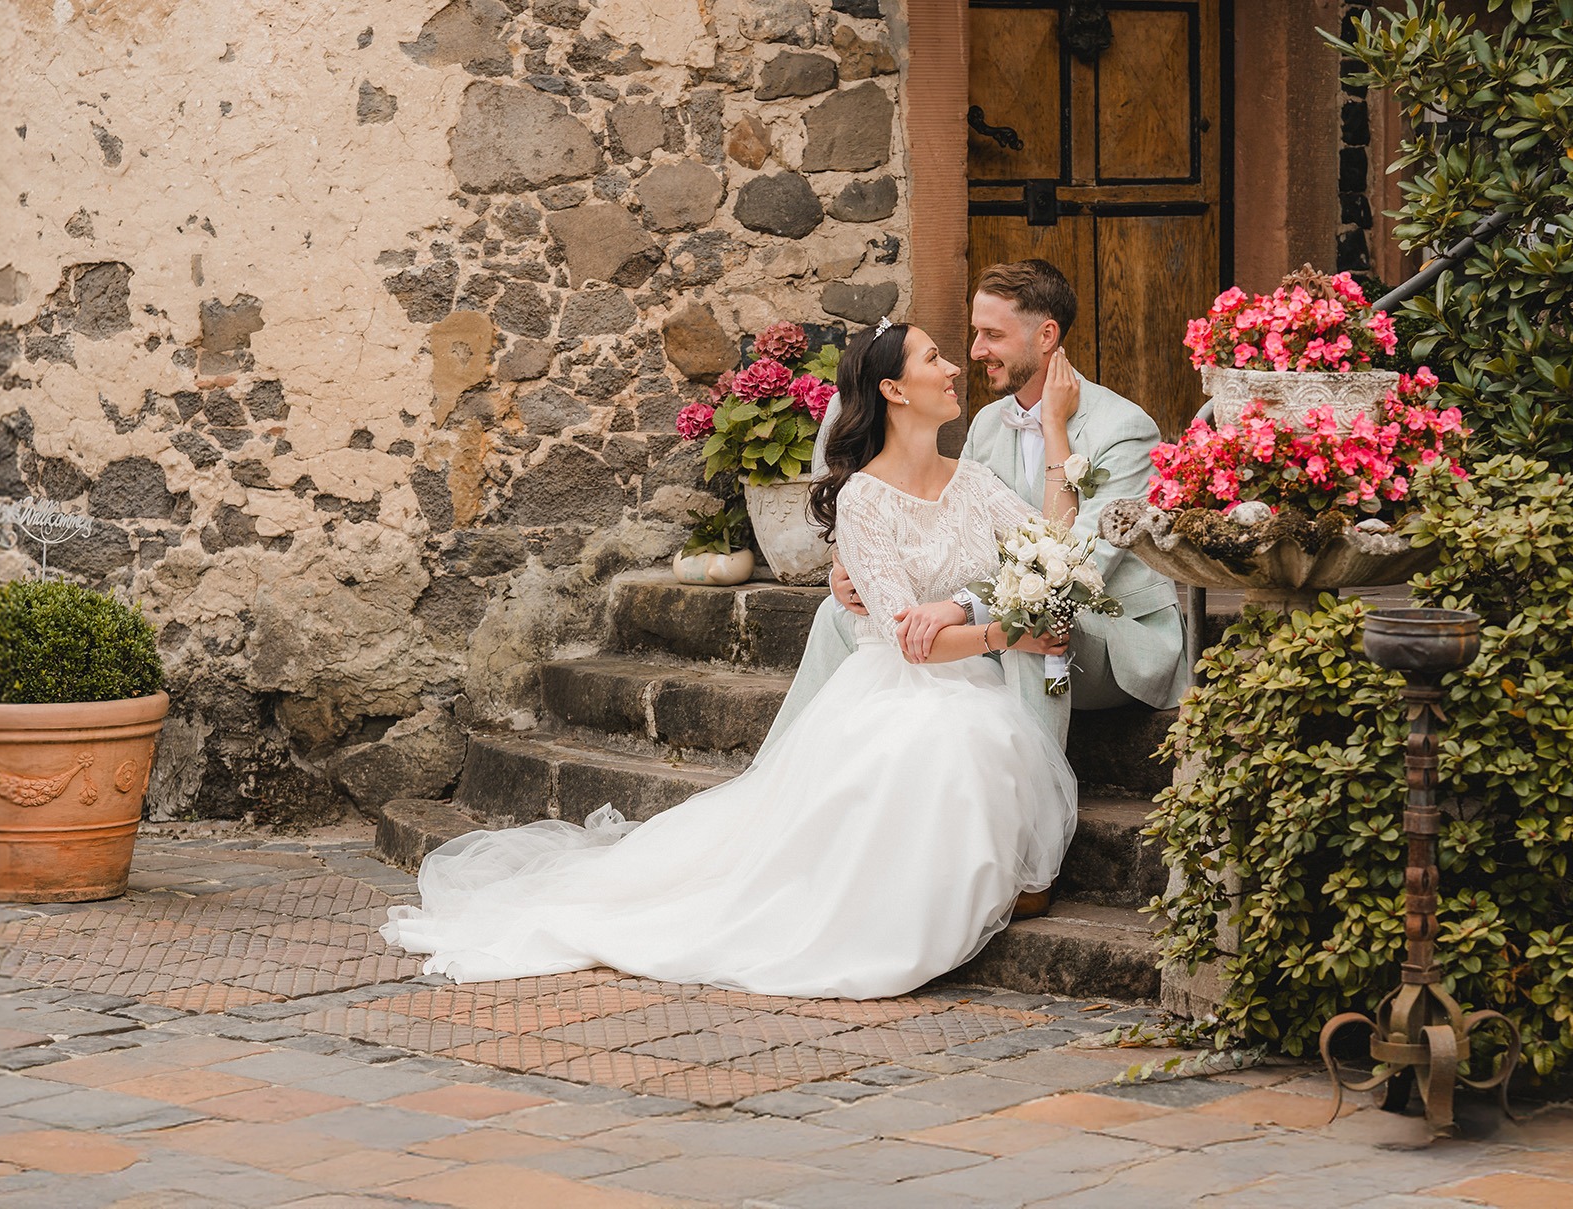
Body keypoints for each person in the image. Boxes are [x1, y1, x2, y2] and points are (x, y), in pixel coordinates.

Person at [382, 323, 1083, 999]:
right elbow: (909, 641)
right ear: (894, 391)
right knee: (946, 747)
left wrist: (1055, 430)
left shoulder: (974, 481)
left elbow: (1050, 547)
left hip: (968, 682)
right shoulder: (865, 500)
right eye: (934, 358)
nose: (953, 367)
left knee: (976, 739)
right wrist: (1009, 636)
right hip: (901, 687)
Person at [765, 259, 1190, 750]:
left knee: (1027, 623)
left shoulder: (1123, 429)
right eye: (975, 333)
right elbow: (952, 533)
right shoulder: (988, 423)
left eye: (992, 335)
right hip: (1014, 609)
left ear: (1046, 336)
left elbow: (1079, 566)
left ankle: (1034, 777)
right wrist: (860, 575)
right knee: (842, 616)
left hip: (1112, 635)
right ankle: (816, 759)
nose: (974, 351)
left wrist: (962, 607)